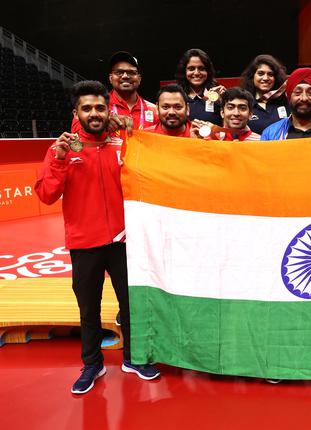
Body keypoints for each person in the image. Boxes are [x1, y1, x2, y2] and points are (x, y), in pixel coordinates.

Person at [35, 81, 160, 395]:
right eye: (87, 108)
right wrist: (60, 159)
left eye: (100, 107)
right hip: (85, 243)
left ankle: (133, 357)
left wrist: (133, 133)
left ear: (109, 110)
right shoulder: (61, 149)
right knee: (88, 308)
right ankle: (92, 363)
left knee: (131, 305)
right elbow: (47, 195)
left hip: (123, 240)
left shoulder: (124, 143)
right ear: (76, 112)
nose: (94, 113)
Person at [72, 52, 158, 134]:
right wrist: (102, 124)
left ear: (139, 79)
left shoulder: (154, 110)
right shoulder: (97, 106)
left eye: (131, 72)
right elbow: (77, 135)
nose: (125, 76)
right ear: (111, 78)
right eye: (119, 72)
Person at [240, 54, 289, 134]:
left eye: (270, 74)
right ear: (252, 77)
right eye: (260, 73)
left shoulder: (285, 101)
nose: (266, 78)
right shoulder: (244, 103)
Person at [175, 48, 225, 125]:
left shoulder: (217, 95)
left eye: (201, 68)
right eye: (191, 69)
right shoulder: (176, 96)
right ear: (184, 71)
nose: (197, 72)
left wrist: (226, 102)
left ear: (208, 71)